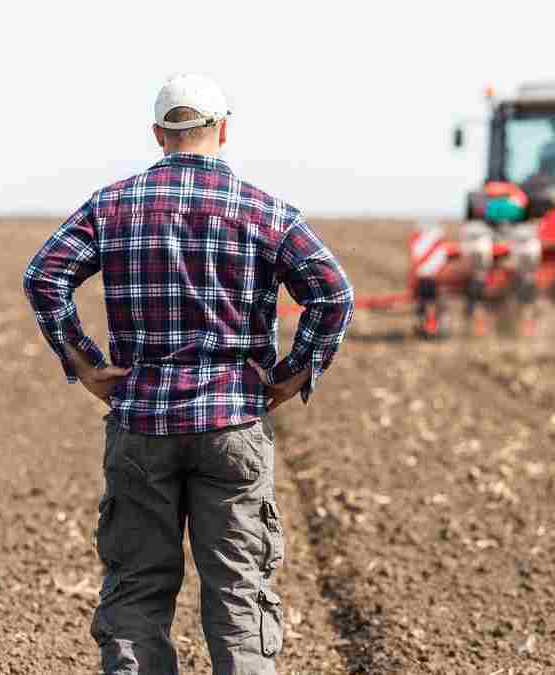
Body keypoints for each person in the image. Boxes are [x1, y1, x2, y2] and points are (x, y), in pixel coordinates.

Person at [22, 73, 354, 674]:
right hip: (233, 424)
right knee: (239, 597)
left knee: (137, 592)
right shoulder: (267, 211)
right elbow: (333, 293)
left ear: (157, 134)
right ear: (223, 130)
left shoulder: (111, 205)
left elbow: (43, 276)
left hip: (142, 425)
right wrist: (289, 376)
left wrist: (86, 363)